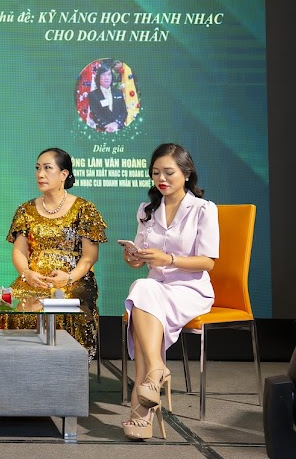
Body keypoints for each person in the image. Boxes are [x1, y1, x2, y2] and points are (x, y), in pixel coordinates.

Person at [121, 143, 219, 440]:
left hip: (190, 290)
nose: (161, 179)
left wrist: (169, 259)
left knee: (141, 297)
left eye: (168, 172)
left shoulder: (203, 209)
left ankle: (142, 408)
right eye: (155, 173)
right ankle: (155, 372)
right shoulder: (147, 210)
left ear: (186, 174)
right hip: (155, 289)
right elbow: (141, 258)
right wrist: (134, 258)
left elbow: (208, 262)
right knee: (143, 288)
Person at [0, 148, 107, 357]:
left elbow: (90, 257)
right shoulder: (25, 210)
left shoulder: (84, 209)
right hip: (34, 280)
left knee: (57, 306)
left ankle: (62, 365)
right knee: (12, 305)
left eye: (47, 168)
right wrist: (27, 273)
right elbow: (19, 251)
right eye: (37, 168)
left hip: (73, 281)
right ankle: (18, 363)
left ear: (64, 174)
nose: (40, 174)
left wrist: (69, 277)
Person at [87, 61, 127, 132]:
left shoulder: (119, 93)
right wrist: (107, 126)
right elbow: (95, 114)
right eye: (103, 75)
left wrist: (116, 124)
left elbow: (124, 112)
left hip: (119, 128)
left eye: (109, 74)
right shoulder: (93, 95)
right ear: (99, 77)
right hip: (102, 130)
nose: (107, 77)